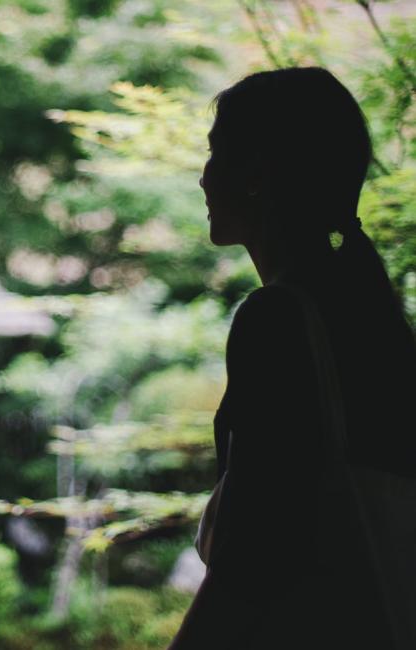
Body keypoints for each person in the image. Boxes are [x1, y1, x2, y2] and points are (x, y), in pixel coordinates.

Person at [169, 67, 416, 649]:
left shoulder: (278, 321)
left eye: (214, 155)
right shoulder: (366, 317)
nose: (203, 179)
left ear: (256, 175)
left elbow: (254, 557)